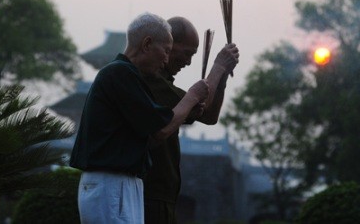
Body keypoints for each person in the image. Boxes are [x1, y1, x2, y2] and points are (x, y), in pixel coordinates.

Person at [69, 13, 209, 224]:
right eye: (166, 51)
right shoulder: (118, 74)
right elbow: (160, 129)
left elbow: (154, 131)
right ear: (147, 44)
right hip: (111, 184)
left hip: (122, 183)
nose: (165, 60)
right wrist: (191, 97)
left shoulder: (126, 76)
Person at [142, 16, 239, 224]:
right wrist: (218, 67)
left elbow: (210, 117)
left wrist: (221, 78)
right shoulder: (152, 83)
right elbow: (200, 110)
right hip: (150, 192)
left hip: (163, 193)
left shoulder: (165, 83)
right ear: (168, 46)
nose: (188, 62)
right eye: (186, 54)